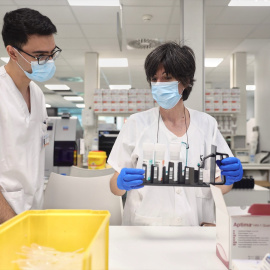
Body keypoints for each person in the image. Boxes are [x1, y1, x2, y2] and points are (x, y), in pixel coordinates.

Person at [108, 42, 243, 226]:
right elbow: (114, 187)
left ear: (186, 81)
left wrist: (229, 178)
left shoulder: (206, 125)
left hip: (195, 229)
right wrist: (121, 183)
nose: (158, 85)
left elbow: (221, 186)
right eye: (154, 79)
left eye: (167, 77)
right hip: (144, 232)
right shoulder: (136, 123)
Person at [0, 8, 61, 223]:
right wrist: (11, 221)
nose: (49, 61)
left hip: (32, 211)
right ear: (12, 52)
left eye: (52, 53)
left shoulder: (37, 94)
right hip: (5, 216)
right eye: (39, 56)